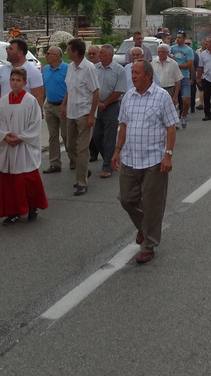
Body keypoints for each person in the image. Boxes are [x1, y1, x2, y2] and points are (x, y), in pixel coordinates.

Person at [112, 61, 178, 266]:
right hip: (131, 157)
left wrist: (168, 155)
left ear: (148, 75)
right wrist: (117, 150)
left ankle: (148, 246)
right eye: (132, 72)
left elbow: (171, 127)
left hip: (154, 160)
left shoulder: (161, 96)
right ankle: (144, 226)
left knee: (152, 205)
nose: (133, 76)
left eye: (137, 73)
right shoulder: (128, 97)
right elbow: (123, 125)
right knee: (126, 198)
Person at [0, 66, 49, 224]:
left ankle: (32, 206)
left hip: (24, 146)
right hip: (8, 146)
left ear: (25, 83)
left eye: (18, 80)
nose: (15, 83)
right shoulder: (3, 101)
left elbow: (35, 124)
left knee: (27, 179)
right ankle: (13, 211)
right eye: (12, 80)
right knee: (9, 180)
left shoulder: (30, 101)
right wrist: (4, 136)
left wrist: (21, 138)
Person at [60, 38, 100, 196]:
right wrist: (64, 104)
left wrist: (91, 115)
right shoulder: (70, 67)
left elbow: (96, 92)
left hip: (84, 113)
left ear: (76, 52)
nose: (67, 52)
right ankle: (84, 170)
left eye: (69, 49)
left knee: (83, 149)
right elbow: (69, 88)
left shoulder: (88, 68)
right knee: (70, 146)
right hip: (71, 111)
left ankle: (81, 182)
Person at [0, 37, 43, 129]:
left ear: (20, 53)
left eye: (11, 49)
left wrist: (36, 119)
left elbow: (38, 97)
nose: (7, 51)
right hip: (4, 114)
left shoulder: (33, 71)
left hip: (23, 117)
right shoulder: (3, 70)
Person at [93, 43, 129, 178]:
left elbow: (119, 90)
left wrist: (105, 103)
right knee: (96, 136)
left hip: (112, 107)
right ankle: (110, 157)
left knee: (109, 137)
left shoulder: (119, 70)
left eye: (101, 53)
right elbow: (90, 87)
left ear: (108, 55)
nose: (98, 55)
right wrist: (97, 103)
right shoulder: (95, 68)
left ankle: (107, 166)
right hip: (96, 106)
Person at [40, 45, 67, 173]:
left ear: (56, 56)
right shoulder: (46, 69)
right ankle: (55, 163)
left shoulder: (67, 69)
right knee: (53, 136)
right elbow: (43, 89)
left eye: (49, 53)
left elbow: (71, 88)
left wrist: (66, 105)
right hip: (50, 105)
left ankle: (74, 159)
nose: (46, 55)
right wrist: (41, 105)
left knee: (67, 135)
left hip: (63, 106)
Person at [169, 30, 196, 128]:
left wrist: (177, 66)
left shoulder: (188, 50)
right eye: (177, 37)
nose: (178, 39)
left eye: (180, 37)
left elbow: (190, 64)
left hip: (184, 77)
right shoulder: (172, 48)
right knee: (173, 100)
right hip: (173, 78)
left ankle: (183, 115)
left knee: (186, 100)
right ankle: (174, 120)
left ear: (184, 39)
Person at [152, 43, 183, 114]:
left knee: (169, 111)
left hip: (170, 90)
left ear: (167, 53)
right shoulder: (153, 63)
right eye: (159, 52)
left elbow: (177, 81)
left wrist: (175, 96)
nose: (160, 53)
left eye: (162, 52)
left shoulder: (173, 63)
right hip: (157, 90)